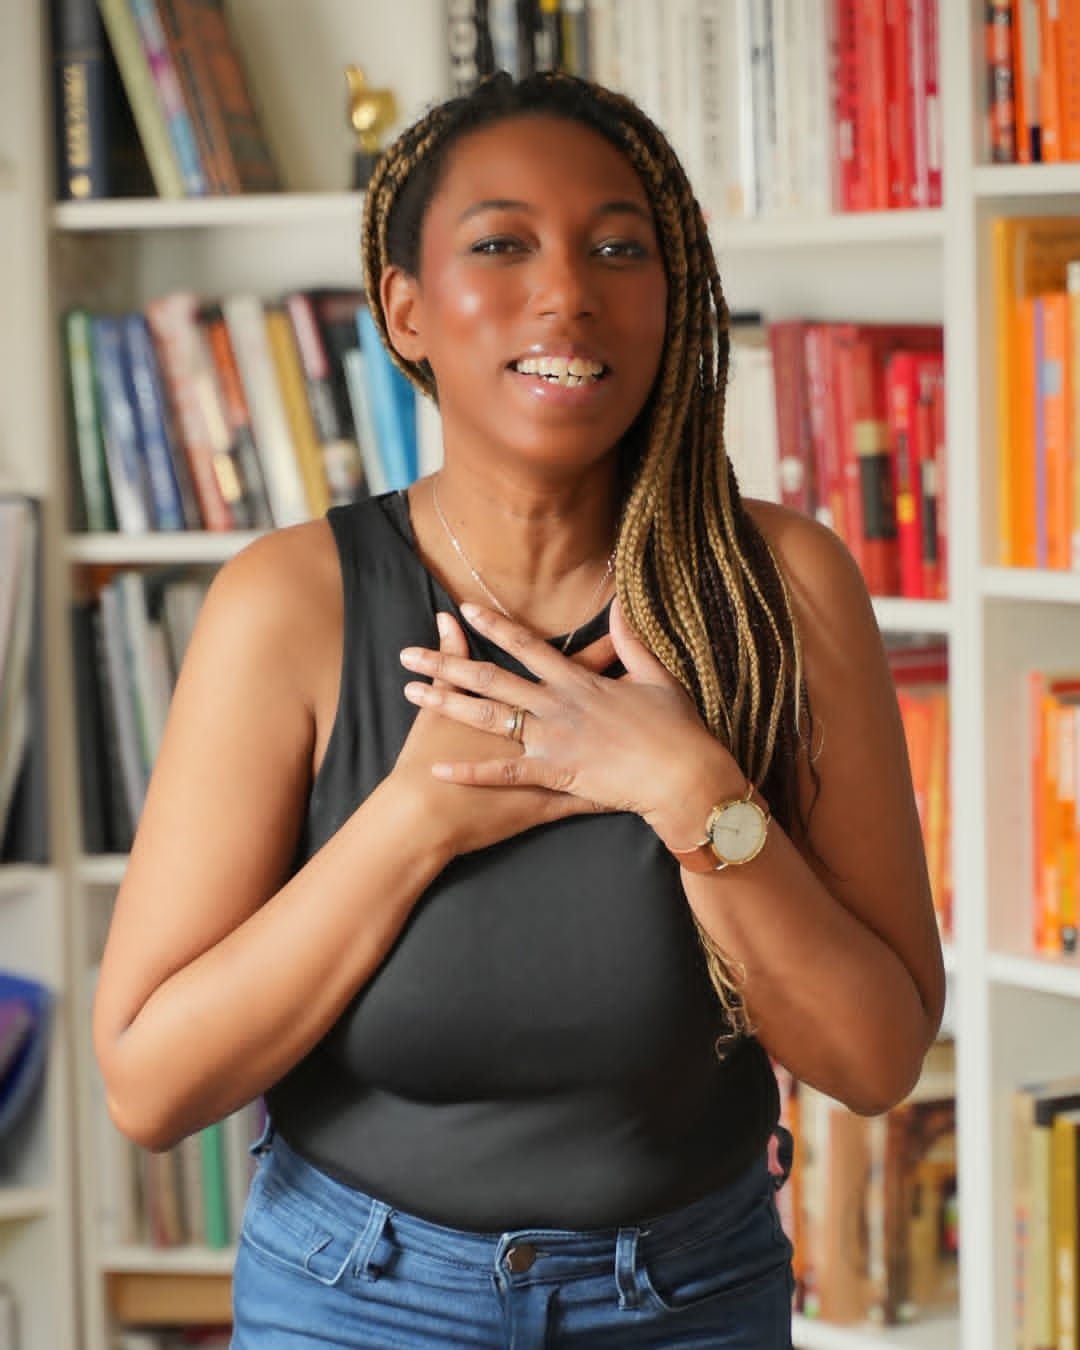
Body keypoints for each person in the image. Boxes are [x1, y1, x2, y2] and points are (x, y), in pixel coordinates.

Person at [92, 70, 946, 1349]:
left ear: (672, 300)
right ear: (407, 309)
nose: (568, 292)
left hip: (691, 1301)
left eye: (619, 246)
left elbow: (875, 1060)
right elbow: (152, 1084)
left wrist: (693, 796)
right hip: (356, 1301)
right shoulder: (289, 606)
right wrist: (418, 817)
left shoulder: (783, 587)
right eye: (501, 244)